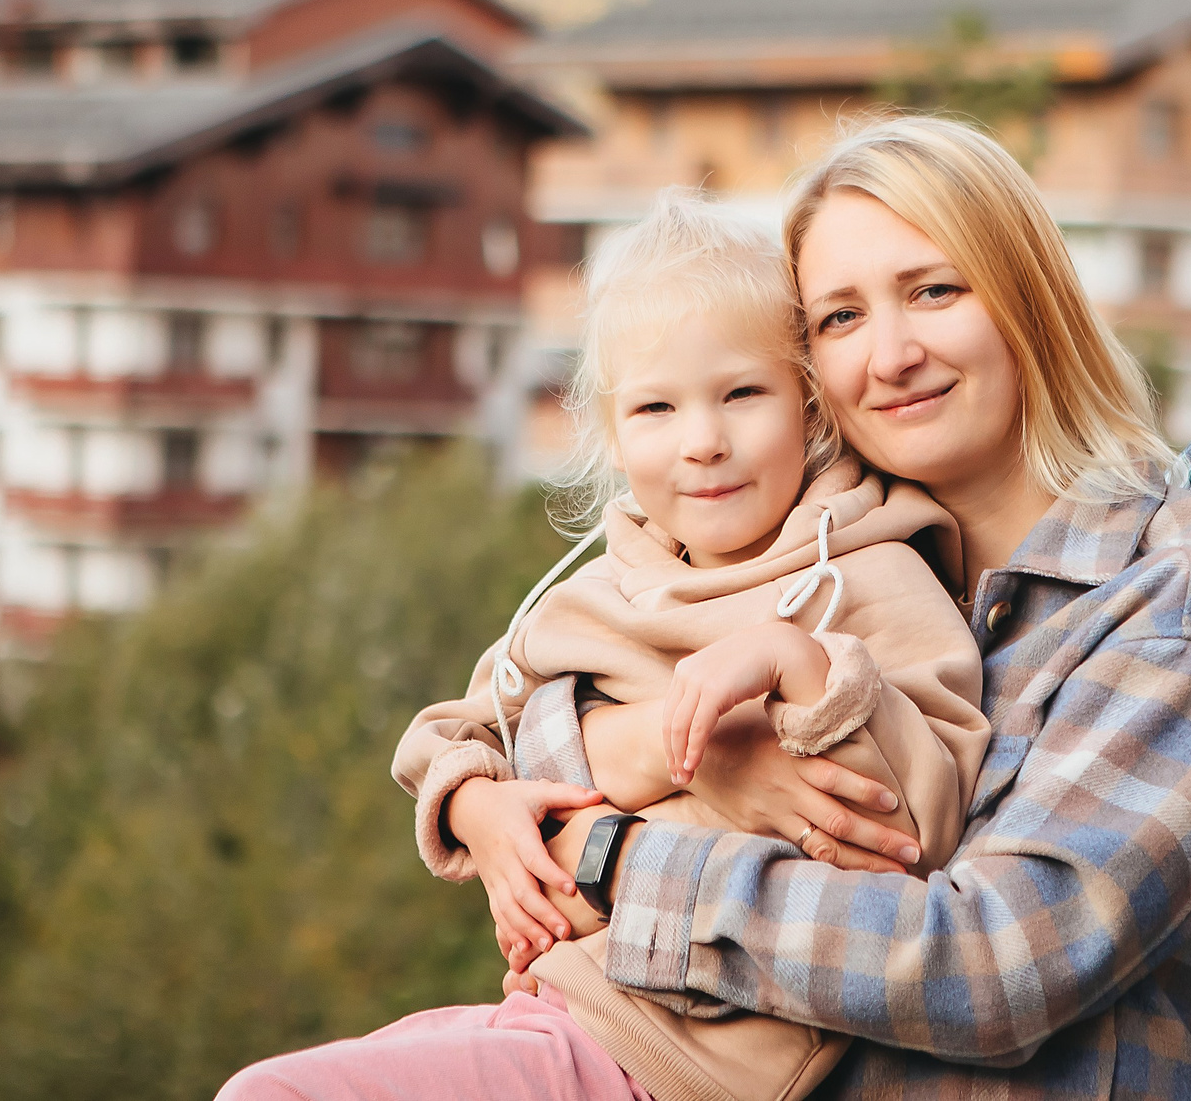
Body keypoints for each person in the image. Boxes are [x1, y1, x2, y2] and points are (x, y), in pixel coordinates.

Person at [475, 117, 1191, 1098]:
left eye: (933, 291)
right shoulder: (805, 556)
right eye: (839, 319)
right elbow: (506, 711)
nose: (891, 354)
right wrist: (618, 761)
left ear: (1026, 298)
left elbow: (996, 969)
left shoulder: (1175, 600)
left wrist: (612, 857)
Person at [222, 193, 988, 1101]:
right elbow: (456, 728)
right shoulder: (598, 593)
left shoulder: (872, 574)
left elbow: (924, 822)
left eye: (743, 393)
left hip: (677, 1062)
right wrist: (478, 809)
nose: (703, 442)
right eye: (656, 407)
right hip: (553, 1012)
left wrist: (798, 663)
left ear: (811, 407)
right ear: (613, 435)